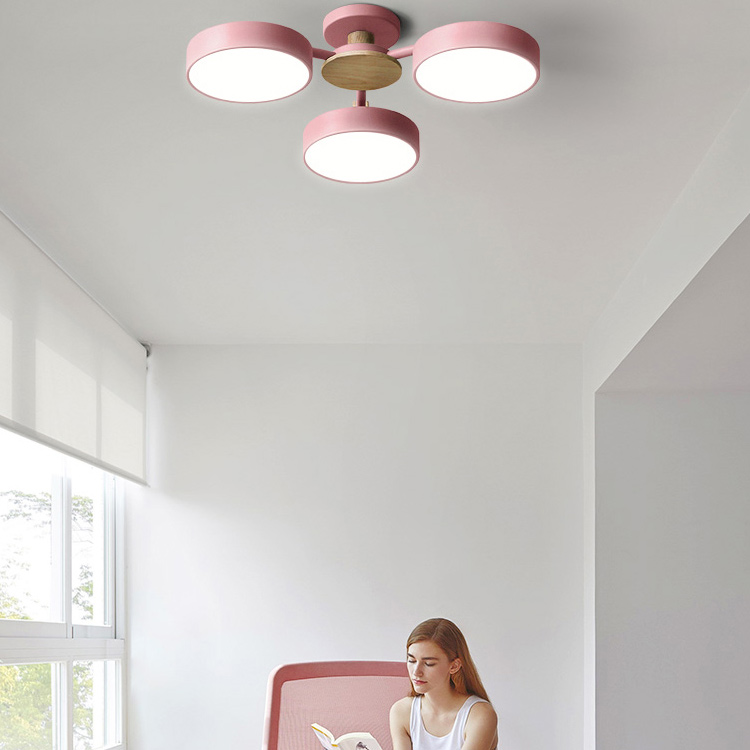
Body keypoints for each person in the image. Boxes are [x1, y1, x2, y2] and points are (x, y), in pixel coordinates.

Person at [390, 619, 498, 750]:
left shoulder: (479, 715)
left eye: (429, 663)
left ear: (454, 666)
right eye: (411, 660)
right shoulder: (402, 711)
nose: (416, 672)